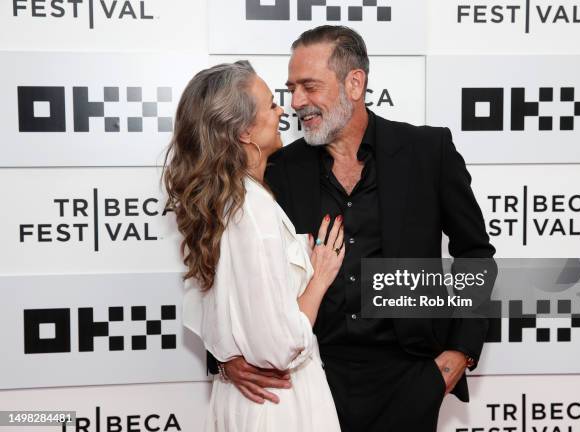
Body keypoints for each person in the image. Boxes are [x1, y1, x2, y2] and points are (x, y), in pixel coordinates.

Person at [216, 26, 497, 431]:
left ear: (354, 82)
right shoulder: (279, 168)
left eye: (309, 87)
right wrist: (227, 358)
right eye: (291, 88)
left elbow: (474, 253)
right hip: (309, 380)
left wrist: (459, 353)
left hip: (409, 376)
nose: (296, 102)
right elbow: (231, 266)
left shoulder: (426, 152)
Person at [163, 60, 344, 431]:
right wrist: (319, 277)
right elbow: (280, 349)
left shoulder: (224, 202)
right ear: (245, 131)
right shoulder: (252, 209)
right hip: (278, 404)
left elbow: (207, 315)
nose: (283, 110)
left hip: (243, 401)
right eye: (270, 105)